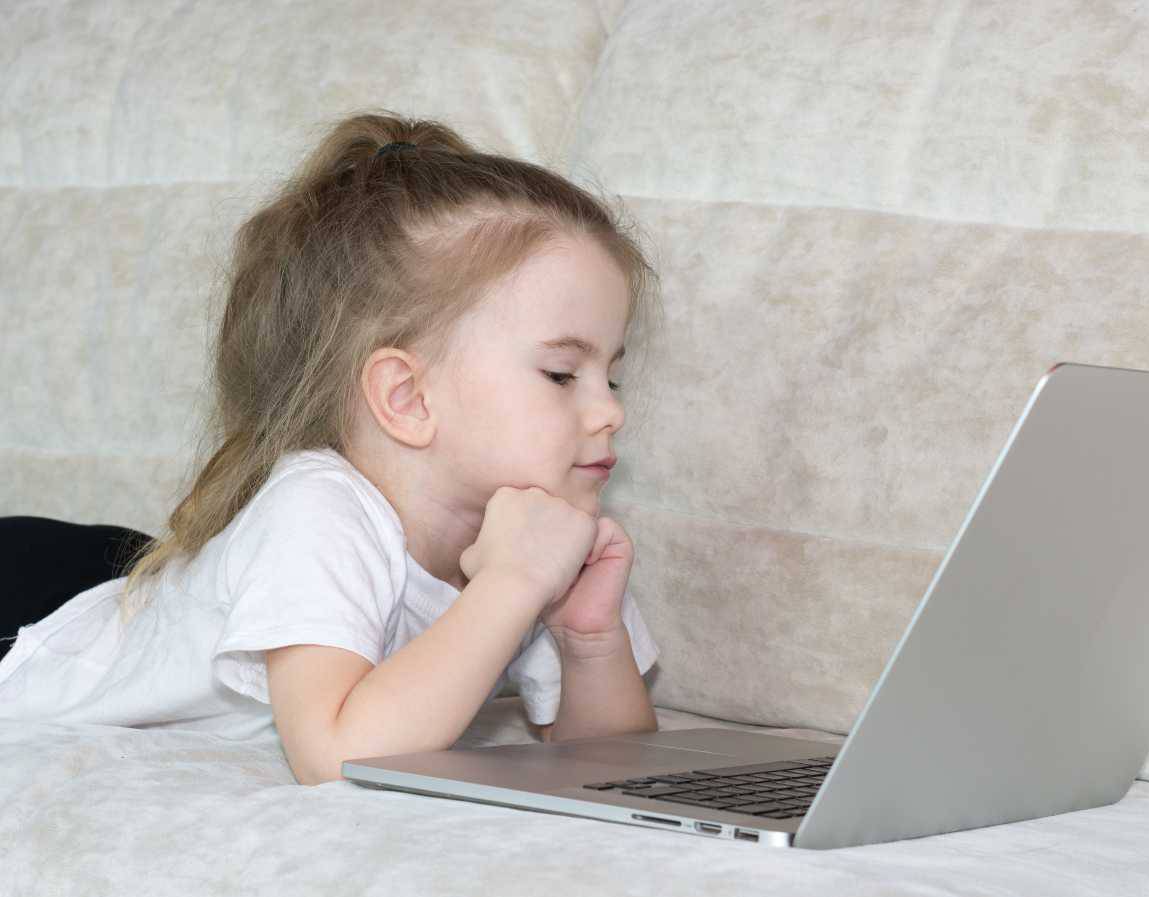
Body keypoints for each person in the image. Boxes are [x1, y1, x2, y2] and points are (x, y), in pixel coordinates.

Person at [0, 110, 665, 785]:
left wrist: (589, 639)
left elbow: (615, 768)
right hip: (29, 610)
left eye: (610, 374)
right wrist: (510, 586)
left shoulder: (540, 532)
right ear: (407, 398)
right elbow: (333, 757)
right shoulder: (319, 508)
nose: (610, 409)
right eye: (561, 374)